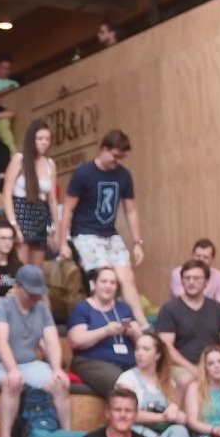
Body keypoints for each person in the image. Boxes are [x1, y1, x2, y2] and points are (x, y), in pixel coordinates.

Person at [0, 266, 71, 437]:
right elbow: (0, 341)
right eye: (31, 293)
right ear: (18, 287)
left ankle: (66, 434)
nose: (35, 297)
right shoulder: (3, 305)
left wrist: (57, 369)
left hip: (29, 363)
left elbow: (51, 340)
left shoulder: (42, 309)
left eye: (38, 293)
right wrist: (12, 370)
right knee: (12, 382)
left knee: (61, 383)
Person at [57, 129, 144, 314]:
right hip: (85, 233)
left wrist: (137, 242)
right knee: (104, 277)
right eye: (115, 156)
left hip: (110, 234)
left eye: (122, 157)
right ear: (104, 149)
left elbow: (131, 210)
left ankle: (141, 324)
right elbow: (68, 210)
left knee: (126, 277)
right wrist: (63, 242)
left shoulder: (124, 175)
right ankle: (102, 319)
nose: (118, 161)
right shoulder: (83, 173)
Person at [157, 261, 220, 412]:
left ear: (206, 282)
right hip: (181, 366)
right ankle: (185, 430)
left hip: (214, 364)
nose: (191, 282)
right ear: (181, 281)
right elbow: (166, 347)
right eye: (187, 278)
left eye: (196, 278)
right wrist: (193, 369)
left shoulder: (218, 309)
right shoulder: (169, 309)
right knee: (186, 380)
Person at [65, 264, 142, 398]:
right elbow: (75, 341)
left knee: (149, 381)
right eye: (104, 281)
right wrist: (105, 331)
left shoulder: (123, 308)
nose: (108, 286)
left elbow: (140, 342)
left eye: (112, 283)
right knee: (124, 385)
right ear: (94, 284)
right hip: (92, 361)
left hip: (128, 361)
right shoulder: (83, 308)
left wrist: (135, 333)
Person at [1, 119, 57, 264]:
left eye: (47, 139)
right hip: (21, 211)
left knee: (36, 271)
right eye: (40, 139)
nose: (44, 142)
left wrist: (56, 228)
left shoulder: (50, 163)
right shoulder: (19, 159)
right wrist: (14, 224)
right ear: (32, 139)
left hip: (40, 213)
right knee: (22, 267)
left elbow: (52, 199)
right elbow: (7, 193)